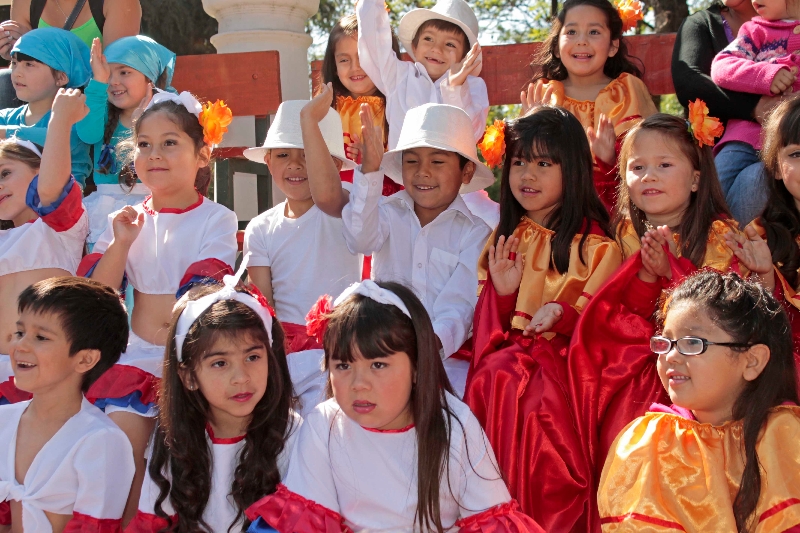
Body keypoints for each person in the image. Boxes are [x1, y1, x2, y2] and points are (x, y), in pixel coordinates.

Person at [245, 280, 545, 532]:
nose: (359, 383)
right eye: (344, 365)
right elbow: (304, 521)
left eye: (378, 364)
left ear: (416, 366)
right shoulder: (324, 424)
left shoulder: (454, 425)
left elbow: (491, 521)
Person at [567, 108, 745, 530]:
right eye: (637, 167)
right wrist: (646, 280)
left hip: (700, 369)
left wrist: (673, 273)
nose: (649, 176)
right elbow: (615, 318)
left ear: (696, 178)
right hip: (636, 363)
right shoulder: (620, 233)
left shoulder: (721, 236)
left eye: (665, 165)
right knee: (621, 419)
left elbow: (724, 315)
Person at [77, 89, 238, 524]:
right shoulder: (126, 219)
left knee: (183, 459)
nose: (154, 154)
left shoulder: (216, 218)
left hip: (189, 358)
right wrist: (121, 243)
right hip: (133, 358)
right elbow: (95, 295)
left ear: (202, 154)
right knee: (122, 449)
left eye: (170, 142)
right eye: (144, 144)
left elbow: (203, 289)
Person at [463, 105, 622, 531]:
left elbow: (603, 324)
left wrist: (563, 315)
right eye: (519, 163)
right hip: (507, 363)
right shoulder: (505, 239)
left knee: (527, 390)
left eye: (543, 164)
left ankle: (535, 517)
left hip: (566, 369)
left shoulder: (596, 246)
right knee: (497, 373)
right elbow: (488, 329)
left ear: (573, 169)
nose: (527, 175)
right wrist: (502, 294)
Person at [307, 101, 494, 397]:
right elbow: (359, 239)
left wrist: (424, 351)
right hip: (378, 351)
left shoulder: (475, 234)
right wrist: (370, 170)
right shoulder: (387, 211)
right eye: (412, 161)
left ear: (467, 171)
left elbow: (459, 306)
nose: (423, 172)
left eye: (438, 162)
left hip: (443, 361)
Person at [598, 271, 800, 532]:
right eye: (665, 341)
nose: (671, 355)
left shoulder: (784, 436)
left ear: (752, 361)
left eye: (692, 343)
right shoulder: (651, 442)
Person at [126, 262, 302, 532]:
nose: (241, 377)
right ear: (189, 376)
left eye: (253, 357)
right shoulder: (172, 437)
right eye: (220, 363)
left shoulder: (293, 435)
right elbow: (153, 523)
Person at [243, 98, 360, 415]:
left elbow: (332, 195)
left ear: (334, 166)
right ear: (268, 162)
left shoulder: (348, 209)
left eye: (308, 155)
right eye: (283, 155)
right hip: (286, 356)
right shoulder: (260, 228)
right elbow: (264, 308)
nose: (295, 165)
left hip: (344, 350)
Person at [0, 277, 134, 532]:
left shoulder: (101, 440)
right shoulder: (2, 420)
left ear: (85, 360)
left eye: (41, 337)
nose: (20, 345)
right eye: (20, 333)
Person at [355, 0, 498, 227]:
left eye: (450, 44)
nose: (437, 49)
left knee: (488, 223)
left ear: (465, 56)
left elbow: (472, 132)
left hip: (457, 189)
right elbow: (374, 47)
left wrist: (454, 88)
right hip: (407, 182)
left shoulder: (473, 86)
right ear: (414, 45)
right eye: (428, 39)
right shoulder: (399, 76)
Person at [521, 0, 658, 210]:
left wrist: (610, 159)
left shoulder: (627, 91)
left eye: (594, 32)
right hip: (555, 209)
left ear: (612, 46)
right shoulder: (545, 96)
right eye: (571, 32)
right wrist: (529, 129)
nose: (582, 41)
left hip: (615, 207)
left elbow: (654, 153)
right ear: (556, 47)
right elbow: (523, 163)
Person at [0, 88, 89, 408]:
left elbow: (51, 189)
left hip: (44, 377)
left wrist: (60, 121)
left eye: (5, 173)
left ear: (40, 170)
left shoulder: (59, 229)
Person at [723, 95, 800, 387]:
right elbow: (760, 332)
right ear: (776, 168)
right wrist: (766, 279)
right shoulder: (759, 238)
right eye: (797, 154)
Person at [78, 35, 175, 246]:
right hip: (104, 213)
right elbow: (87, 134)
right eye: (109, 74)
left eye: (124, 72)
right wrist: (98, 82)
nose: (113, 81)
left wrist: (142, 120)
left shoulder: (170, 116)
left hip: (152, 209)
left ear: (149, 77)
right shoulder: (103, 111)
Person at [710, 0, 800, 224]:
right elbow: (721, 66)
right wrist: (766, 74)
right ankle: (714, 241)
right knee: (714, 193)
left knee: (759, 189)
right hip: (744, 138)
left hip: (791, 145)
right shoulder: (755, 31)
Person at [318, 14, 403, 198]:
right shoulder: (324, 110)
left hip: (385, 202)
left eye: (364, 58)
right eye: (344, 60)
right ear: (334, 66)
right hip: (334, 201)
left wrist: (374, 161)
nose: (355, 67)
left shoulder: (399, 107)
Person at [0, 0, 142, 109]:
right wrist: (14, 53)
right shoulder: (24, 2)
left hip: (96, 94)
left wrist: (39, 49)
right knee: (4, 80)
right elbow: (24, 71)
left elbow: (116, 71)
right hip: (43, 95)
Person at [0, 27, 92, 187]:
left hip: (63, 201)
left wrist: (4, 133)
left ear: (61, 77)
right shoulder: (6, 117)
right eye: (14, 63)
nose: (16, 73)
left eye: (29, 64)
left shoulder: (76, 117)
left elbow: (59, 137)